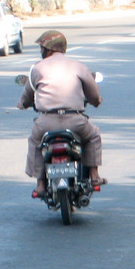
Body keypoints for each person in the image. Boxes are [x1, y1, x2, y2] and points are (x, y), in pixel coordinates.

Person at [17, 30, 105, 198]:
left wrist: (22, 104)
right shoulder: (78, 66)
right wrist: (96, 101)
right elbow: (93, 95)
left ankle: (41, 184)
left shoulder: (37, 68)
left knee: (35, 141)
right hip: (75, 121)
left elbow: (27, 95)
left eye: (42, 47)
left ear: (48, 49)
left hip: (46, 122)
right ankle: (94, 176)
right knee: (93, 136)